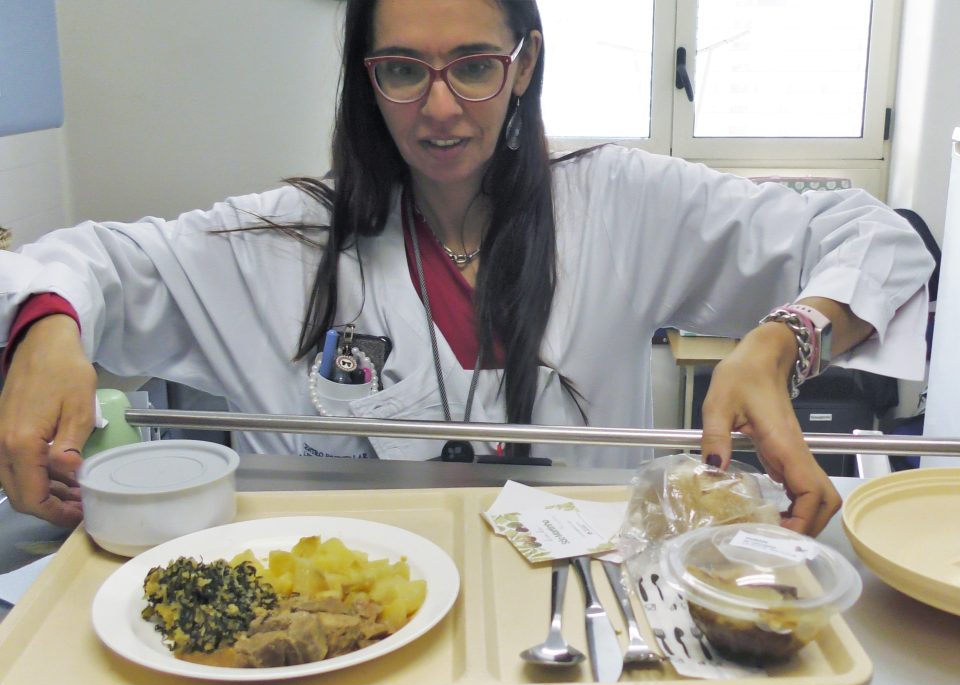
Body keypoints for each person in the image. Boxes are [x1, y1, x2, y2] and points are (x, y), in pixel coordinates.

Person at [0, 0, 934, 536]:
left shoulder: (621, 203)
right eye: (404, 70)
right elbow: (86, 262)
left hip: (581, 623)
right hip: (362, 627)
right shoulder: (290, 242)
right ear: (369, 79)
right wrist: (46, 330)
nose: (440, 109)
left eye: (475, 66)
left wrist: (783, 341)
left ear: (524, 65)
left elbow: (881, 238)